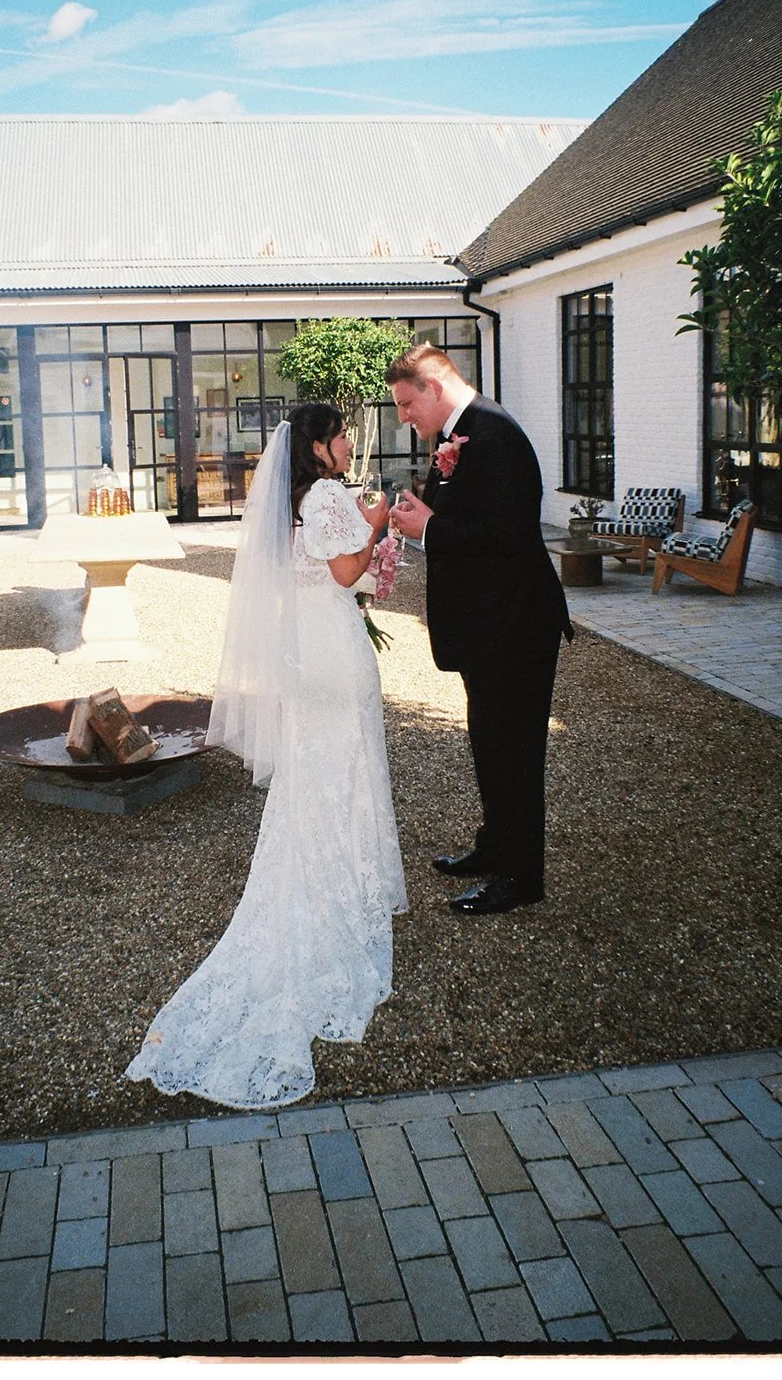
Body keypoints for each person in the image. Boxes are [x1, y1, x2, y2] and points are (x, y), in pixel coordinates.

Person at [127, 404, 407, 1109]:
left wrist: (368, 538)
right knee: (347, 770)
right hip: (336, 657)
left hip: (305, 657)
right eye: (341, 434)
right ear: (318, 445)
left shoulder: (292, 503)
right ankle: (352, 887)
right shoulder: (328, 495)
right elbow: (346, 572)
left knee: (320, 774)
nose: (348, 443)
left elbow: (321, 573)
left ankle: (339, 874)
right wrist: (378, 519)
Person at [387, 344, 572, 915]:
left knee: (514, 752)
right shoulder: (465, 433)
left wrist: (430, 527)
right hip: (490, 625)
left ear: (435, 388)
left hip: (514, 625)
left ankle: (521, 878)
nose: (403, 417)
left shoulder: (494, 435)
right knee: (490, 744)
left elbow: (507, 538)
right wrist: (431, 507)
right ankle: (494, 849)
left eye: (406, 403)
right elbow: (473, 517)